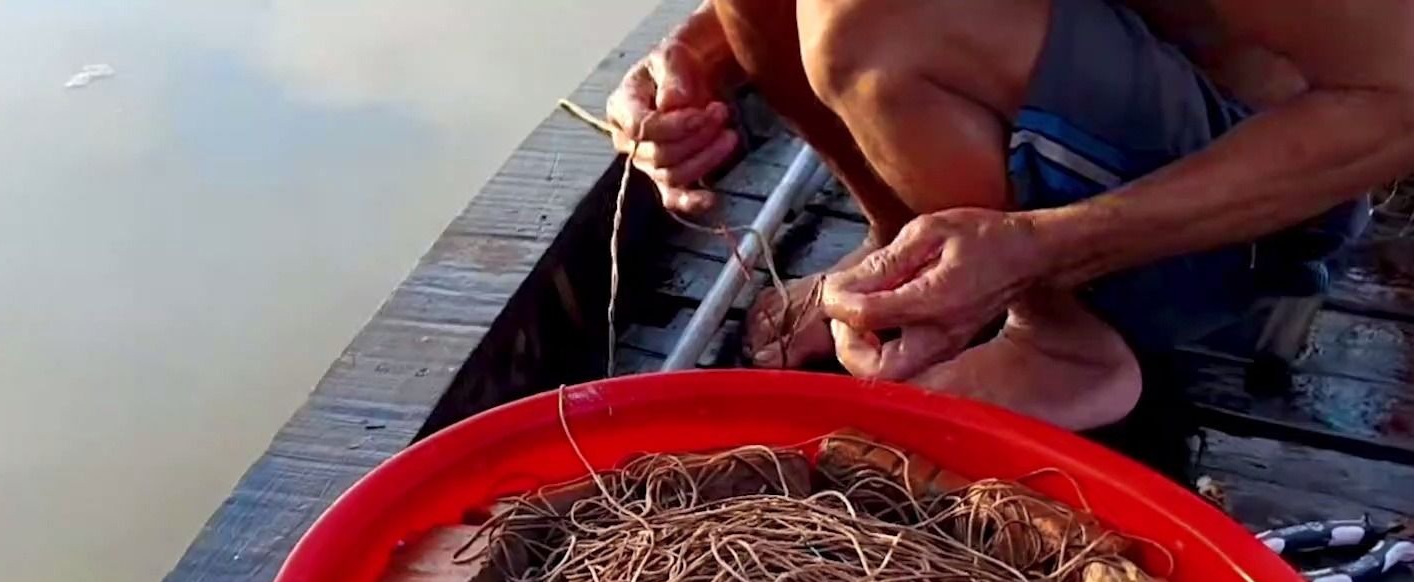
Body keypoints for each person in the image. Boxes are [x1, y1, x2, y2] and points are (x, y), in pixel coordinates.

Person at [604, 0, 1413, 429]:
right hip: (1112, 90)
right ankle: (906, 242)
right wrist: (689, 70)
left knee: (873, 20)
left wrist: (1047, 249)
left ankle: (1061, 335)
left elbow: (1393, 108)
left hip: (1253, 212)